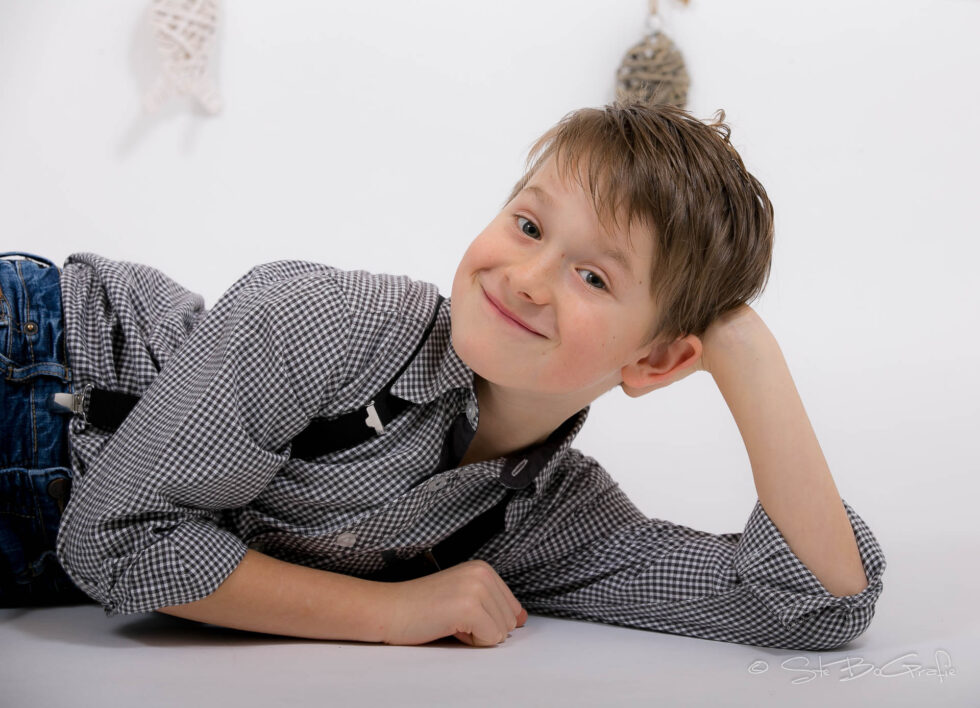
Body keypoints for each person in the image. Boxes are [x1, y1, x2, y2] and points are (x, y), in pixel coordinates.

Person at [0, 102, 886, 650]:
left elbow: (810, 606)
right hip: (35, 361)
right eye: (530, 226)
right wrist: (392, 611)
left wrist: (747, 352)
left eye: (594, 276)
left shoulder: (549, 521)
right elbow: (114, 537)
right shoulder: (332, 325)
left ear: (656, 359)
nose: (527, 279)